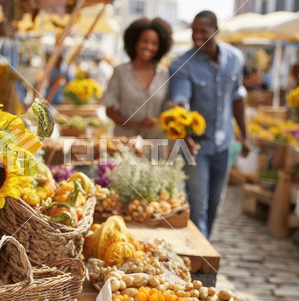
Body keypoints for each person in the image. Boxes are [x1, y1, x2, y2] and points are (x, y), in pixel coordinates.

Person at [168, 11, 250, 238]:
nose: (197, 37)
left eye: (203, 31)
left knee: (215, 203)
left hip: (223, 144)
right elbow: (180, 102)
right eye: (194, 32)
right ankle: (201, 263)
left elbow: (238, 98)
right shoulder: (181, 64)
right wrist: (185, 135)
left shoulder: (235, 58)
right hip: (195, 147)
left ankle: (205, 247)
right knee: (197, 203)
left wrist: (245, 136)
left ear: (216, 30)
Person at [103, 17, 172, 138]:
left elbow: (169, 110)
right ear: (135, 42)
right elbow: (109, 110)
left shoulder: (165, 75)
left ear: (160, 47)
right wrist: (136, 125)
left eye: (154, 43)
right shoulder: (120, 72)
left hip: (156, 144)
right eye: (144, 41)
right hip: (125, 142)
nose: (149, 47)